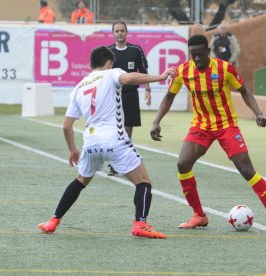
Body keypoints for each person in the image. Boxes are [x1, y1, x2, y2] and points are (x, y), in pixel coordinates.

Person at [150, 34, 266, 231]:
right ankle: (198, 215)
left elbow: (244, 91)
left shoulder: (224, 68)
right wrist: (156, 121)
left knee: (247, 170)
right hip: (201, 126)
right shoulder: (183, 72)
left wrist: (258, 113)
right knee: (182, 164)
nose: (196, 59)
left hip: (226, 125)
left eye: (200, 54)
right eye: (193, 55)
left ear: (208, 51)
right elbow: (169, 96)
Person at [37, 46, 176, 238]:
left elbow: (66, 126)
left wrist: (72, 150)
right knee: (143, 182)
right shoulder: (112, 73)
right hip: (114, 140)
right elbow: (128, 79)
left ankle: (53, 221)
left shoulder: (79, 87)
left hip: (90, 143)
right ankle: (140, 224)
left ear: (91, 63)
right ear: (109, 62)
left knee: (80, 182)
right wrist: (161, 77)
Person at [107, 21, 151, 176]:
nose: (120, 33)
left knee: (127, 131)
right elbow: (103, 75)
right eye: (117, 31)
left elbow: (144, 70)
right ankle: (114, 163)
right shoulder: (108, 52)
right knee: (115, 130)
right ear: (113, 33)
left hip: (131, 96)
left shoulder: (135, 50)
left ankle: (124, 162)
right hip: (114, 97)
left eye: (122, 30)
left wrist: (148, 90)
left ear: (127, 32)